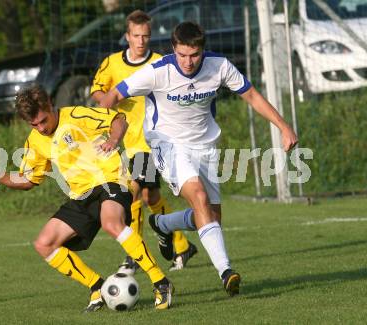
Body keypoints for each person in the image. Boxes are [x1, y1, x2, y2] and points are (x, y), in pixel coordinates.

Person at [100, 21, 298, 297]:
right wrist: (103, 132)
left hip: (205, 146)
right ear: (173, 49)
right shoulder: (158, 71)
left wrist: (283, 126)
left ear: (202, 51)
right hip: (167, 143)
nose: (188, 61)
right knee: (200, 197)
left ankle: (163, 224)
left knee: (211, 218)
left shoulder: (219, 66)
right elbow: (112, 96)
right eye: (182, 54)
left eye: (194, 55)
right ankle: (226, 271)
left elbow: (251, 95)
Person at [0, 85, 173, 311]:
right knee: (44, 243)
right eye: (34, 124)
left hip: (111, 180)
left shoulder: (76, 115)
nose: (41, 128)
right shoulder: (35, 140)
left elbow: (119, 119)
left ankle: (161, 282)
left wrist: (114, 140)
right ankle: (97, 287)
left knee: (111, 222)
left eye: (43, 121)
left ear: (50, 105)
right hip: (81, 195)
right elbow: (28, 180)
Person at [90, 10, 197, 273]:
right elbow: (96, 90)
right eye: (136, 36)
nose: (141, 41)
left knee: (134, 191)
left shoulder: (161, 62)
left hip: (155, 141)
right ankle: (183, 246)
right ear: (127, 36)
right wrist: (113, 98)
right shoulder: (113, 63)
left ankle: (134, 256)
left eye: (146, 36)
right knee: (151, 196)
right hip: (131, 142)